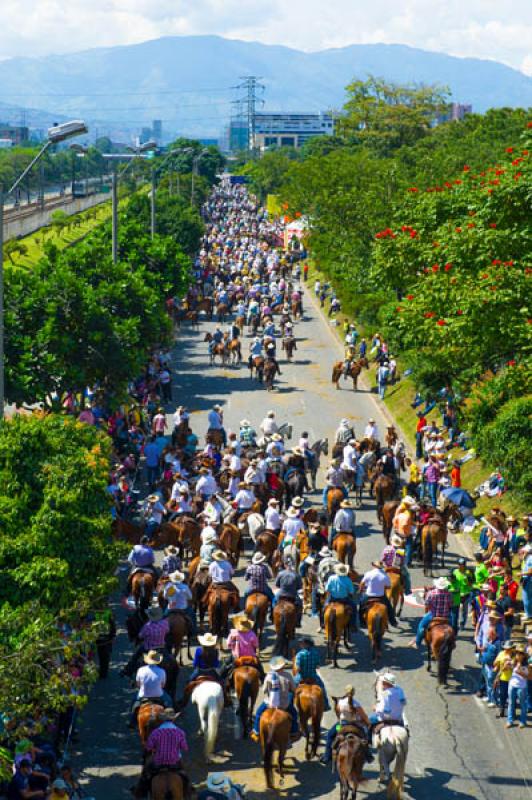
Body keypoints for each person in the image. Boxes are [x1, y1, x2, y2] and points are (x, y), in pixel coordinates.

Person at [133, 709, 189, 799]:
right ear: (173, 719)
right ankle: (188, 791)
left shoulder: (156, 732)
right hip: (174, 761)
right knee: (184, 775)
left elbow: (149, 747)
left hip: (158, 761)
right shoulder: (180, 732)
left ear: (162, 720)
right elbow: (185, 747)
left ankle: (140, 791)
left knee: (145, 773)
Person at [321, 685, 372, 766]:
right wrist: (368, 723)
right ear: (353, 693)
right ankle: (368, 755)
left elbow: (338, 714)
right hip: (356, 725)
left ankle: (327, 756)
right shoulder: (356, 704)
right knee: (365, 737)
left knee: (330, 735)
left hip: (341, 724)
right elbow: (364, 716)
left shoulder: (340, 702)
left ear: (345, 691)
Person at [251, 657, 299, 742]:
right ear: (283, 666)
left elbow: (264, 690)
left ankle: (256, 732)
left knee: (258, 713)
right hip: (284, 703)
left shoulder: (269, 676)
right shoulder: (287, 675)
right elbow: (293, 689)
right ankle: (294, 732)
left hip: (269, 703)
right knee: (294, 714)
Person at [410, 577, 452, 648]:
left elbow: (427, 604)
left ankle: (417, 642)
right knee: (452, 626)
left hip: (433, 615)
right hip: (446, 616)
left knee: (421, 626)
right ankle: (452, 642)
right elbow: (450, 604)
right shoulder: (449, 594)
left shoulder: (431, 593)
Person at [293, 637, 330, 710]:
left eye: (302, 643)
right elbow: (318, 666)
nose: (300, 644)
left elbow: (297, 668)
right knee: (322, 688)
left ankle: (290, 705)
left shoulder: (299, 654)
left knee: (290, 689)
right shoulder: (315, 653)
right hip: (313, 676)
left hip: (301, 677)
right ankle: (326, 705)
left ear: (306, 644)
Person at [359, 560, 399, 628]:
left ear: (373, 566)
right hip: (381, 596)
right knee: (389, 608)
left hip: (369, 595)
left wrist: (361, 590)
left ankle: (362, 622)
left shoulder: (368, 573)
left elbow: (362, 584)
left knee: (361, 606)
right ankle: (393, 621)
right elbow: (388, 586)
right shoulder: (385, 575)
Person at [325, 563, 358, 631]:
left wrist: (329, 596)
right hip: (344, 600)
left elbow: (327, 589)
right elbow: (351, 591)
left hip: (332, 599)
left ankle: (323, 624)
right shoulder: (348, 580)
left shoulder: (331, 578)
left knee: (323, 609)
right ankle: (353, 625)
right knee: (354, 607)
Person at [506, 645, 529, 728]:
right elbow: (508, 668)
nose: (518, 655)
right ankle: (510, 721)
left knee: (523, 704)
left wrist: (519, 671)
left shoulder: (526, 665)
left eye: (520, 653)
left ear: (523, 655)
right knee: (511, 703)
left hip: (522, 687)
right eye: (517, 653)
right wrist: (507, 665)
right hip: (512, 685)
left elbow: (528, 677)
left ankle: (522, 721)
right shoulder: (514, 662)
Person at [452, 558, 474, 630]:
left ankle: (462, 623)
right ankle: (455, 622)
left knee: (464, 610)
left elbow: (471, 584)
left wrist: (468, 581)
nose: (461, 566)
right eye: (460, 565)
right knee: (456, 609)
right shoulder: (455, 572)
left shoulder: (468, 573)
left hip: (466, 594)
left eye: (463, 565)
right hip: (457, 595)